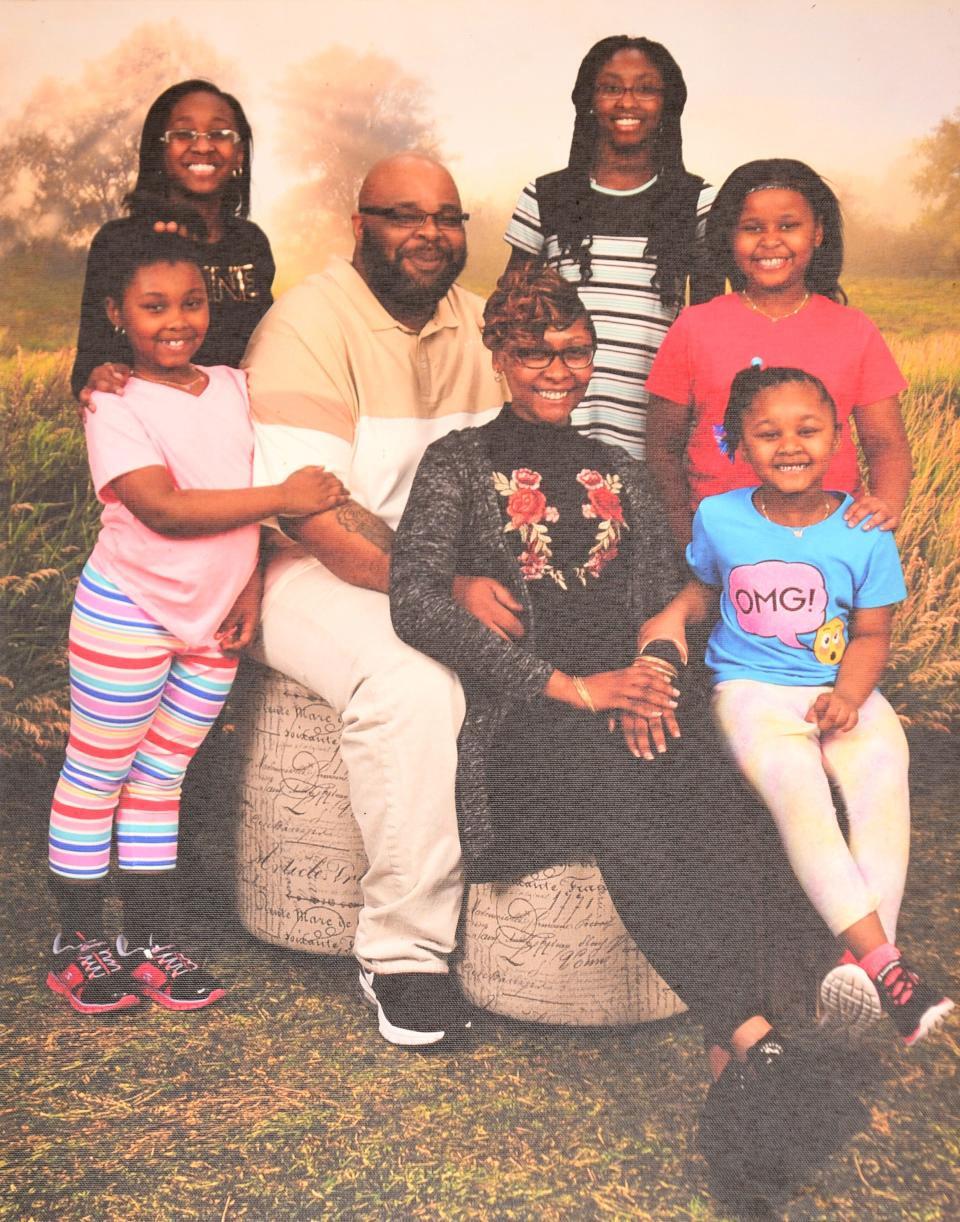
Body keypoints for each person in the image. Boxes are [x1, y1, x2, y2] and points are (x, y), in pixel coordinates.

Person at [390, 267, 845, 1193]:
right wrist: (574, 688)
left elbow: (686, 587)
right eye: (534, 350)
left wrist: (655, 669)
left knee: (731, 794)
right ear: (499, 356)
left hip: (637, 696)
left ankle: (740, 1076)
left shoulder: (625, 470)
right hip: (530, 722)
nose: (559, 367)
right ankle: (759, 1045)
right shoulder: (457, 465)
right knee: (628, 790)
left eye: (576, 349)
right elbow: (413, 601)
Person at [46, 228, 347, 1015]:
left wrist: (247, 587)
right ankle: (76, 943)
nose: (176, 319)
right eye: (153, 306)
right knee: (99, 774)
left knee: (161, 779)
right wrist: (287, 495)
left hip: (213, 623)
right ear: (116, 313)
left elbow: (233, 497)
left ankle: (146, 941)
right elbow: (166, 508)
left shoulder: (232, 385)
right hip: (131, 614)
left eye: (192, 302)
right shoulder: (113, 401)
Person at [243, 153, 504, 1049]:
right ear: (360, 226)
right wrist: (449, 592)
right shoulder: (309, 324)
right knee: (412, 681)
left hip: (442, 570)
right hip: (308, 572)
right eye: (404, 215)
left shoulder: (481, 324)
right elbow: (321, 522)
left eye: (447, 216)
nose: (429, 234)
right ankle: (404, 955)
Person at [642, 363, 954, 1046]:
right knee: (798, 789)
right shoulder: (719, 518)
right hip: (750, 691)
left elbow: (873, 633)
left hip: (842, 686)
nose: (790, 445)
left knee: (883, 771)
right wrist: (671, 616)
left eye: (808, 429)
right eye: (768, 432)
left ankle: (867, 963)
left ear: (838, 436)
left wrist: (849, 696)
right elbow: (705, 591)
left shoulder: (864, 527)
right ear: (738, 445)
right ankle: (888, 970)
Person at [645, 159, 912, 551]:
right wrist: (688, 537)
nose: (770, 241)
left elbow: (886, 443)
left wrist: (886, 505)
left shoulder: (854, 330)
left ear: (818, 232)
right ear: (728, 237)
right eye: (752, 228)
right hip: (722, 545)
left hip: (830, 542)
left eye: (788, 226)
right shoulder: (694, 326)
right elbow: (661, 444)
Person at [503, 35, 721, 462]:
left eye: (645, 88)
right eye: (610, 87)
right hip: (554, 422)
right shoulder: (547, 195)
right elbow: (512, 310)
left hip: (653, 428)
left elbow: (712, 324)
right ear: (588, 101)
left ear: (667, 106)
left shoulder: (695, 201)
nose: (627, 101)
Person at [71, 79, 274, 406]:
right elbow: (88, 363)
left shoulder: (251, 243)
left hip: (239, 417)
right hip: (153, 418)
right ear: (158, 150)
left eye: (220, 134)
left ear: (239, 155)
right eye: (184, 134)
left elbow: (266, 350)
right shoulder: (121, 241)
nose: (203, 146)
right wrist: (97, 377)